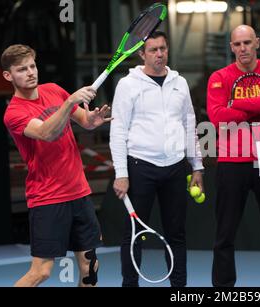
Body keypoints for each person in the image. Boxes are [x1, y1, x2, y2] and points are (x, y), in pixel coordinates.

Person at [1, 44, 112, 287]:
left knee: (90, 266)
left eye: (32, 66)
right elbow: (46, 133)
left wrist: (92, 120)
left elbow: (84, 120)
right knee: (41, 272)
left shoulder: (53, 90)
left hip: (79, 193)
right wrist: (70, 100)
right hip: (48, 198)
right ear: (8, 76)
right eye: (22, 69)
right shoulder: (14, 113)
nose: (30, 72)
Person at [110, 31, 204, 287]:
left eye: (163, 48)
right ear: (142, 54)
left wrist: (197, 166)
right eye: (153, 50)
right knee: (134, 235)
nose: (160, 54)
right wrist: (121, 173)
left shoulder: (180, 83)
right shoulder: (128, 85)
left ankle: (179, 289)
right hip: (140, 167)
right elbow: (117, 131)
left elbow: (189, 125)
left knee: (177, 235)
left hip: (175, 169)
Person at [206, 25, 260, 287]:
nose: (243, 48)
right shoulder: (219, 77)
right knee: (224, 235)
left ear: (257, 43)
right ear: (231, 47)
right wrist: (256, 106)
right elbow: (217, 117)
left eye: (247, 43)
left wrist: (235, 104)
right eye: (237, 44)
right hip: (231, 161)